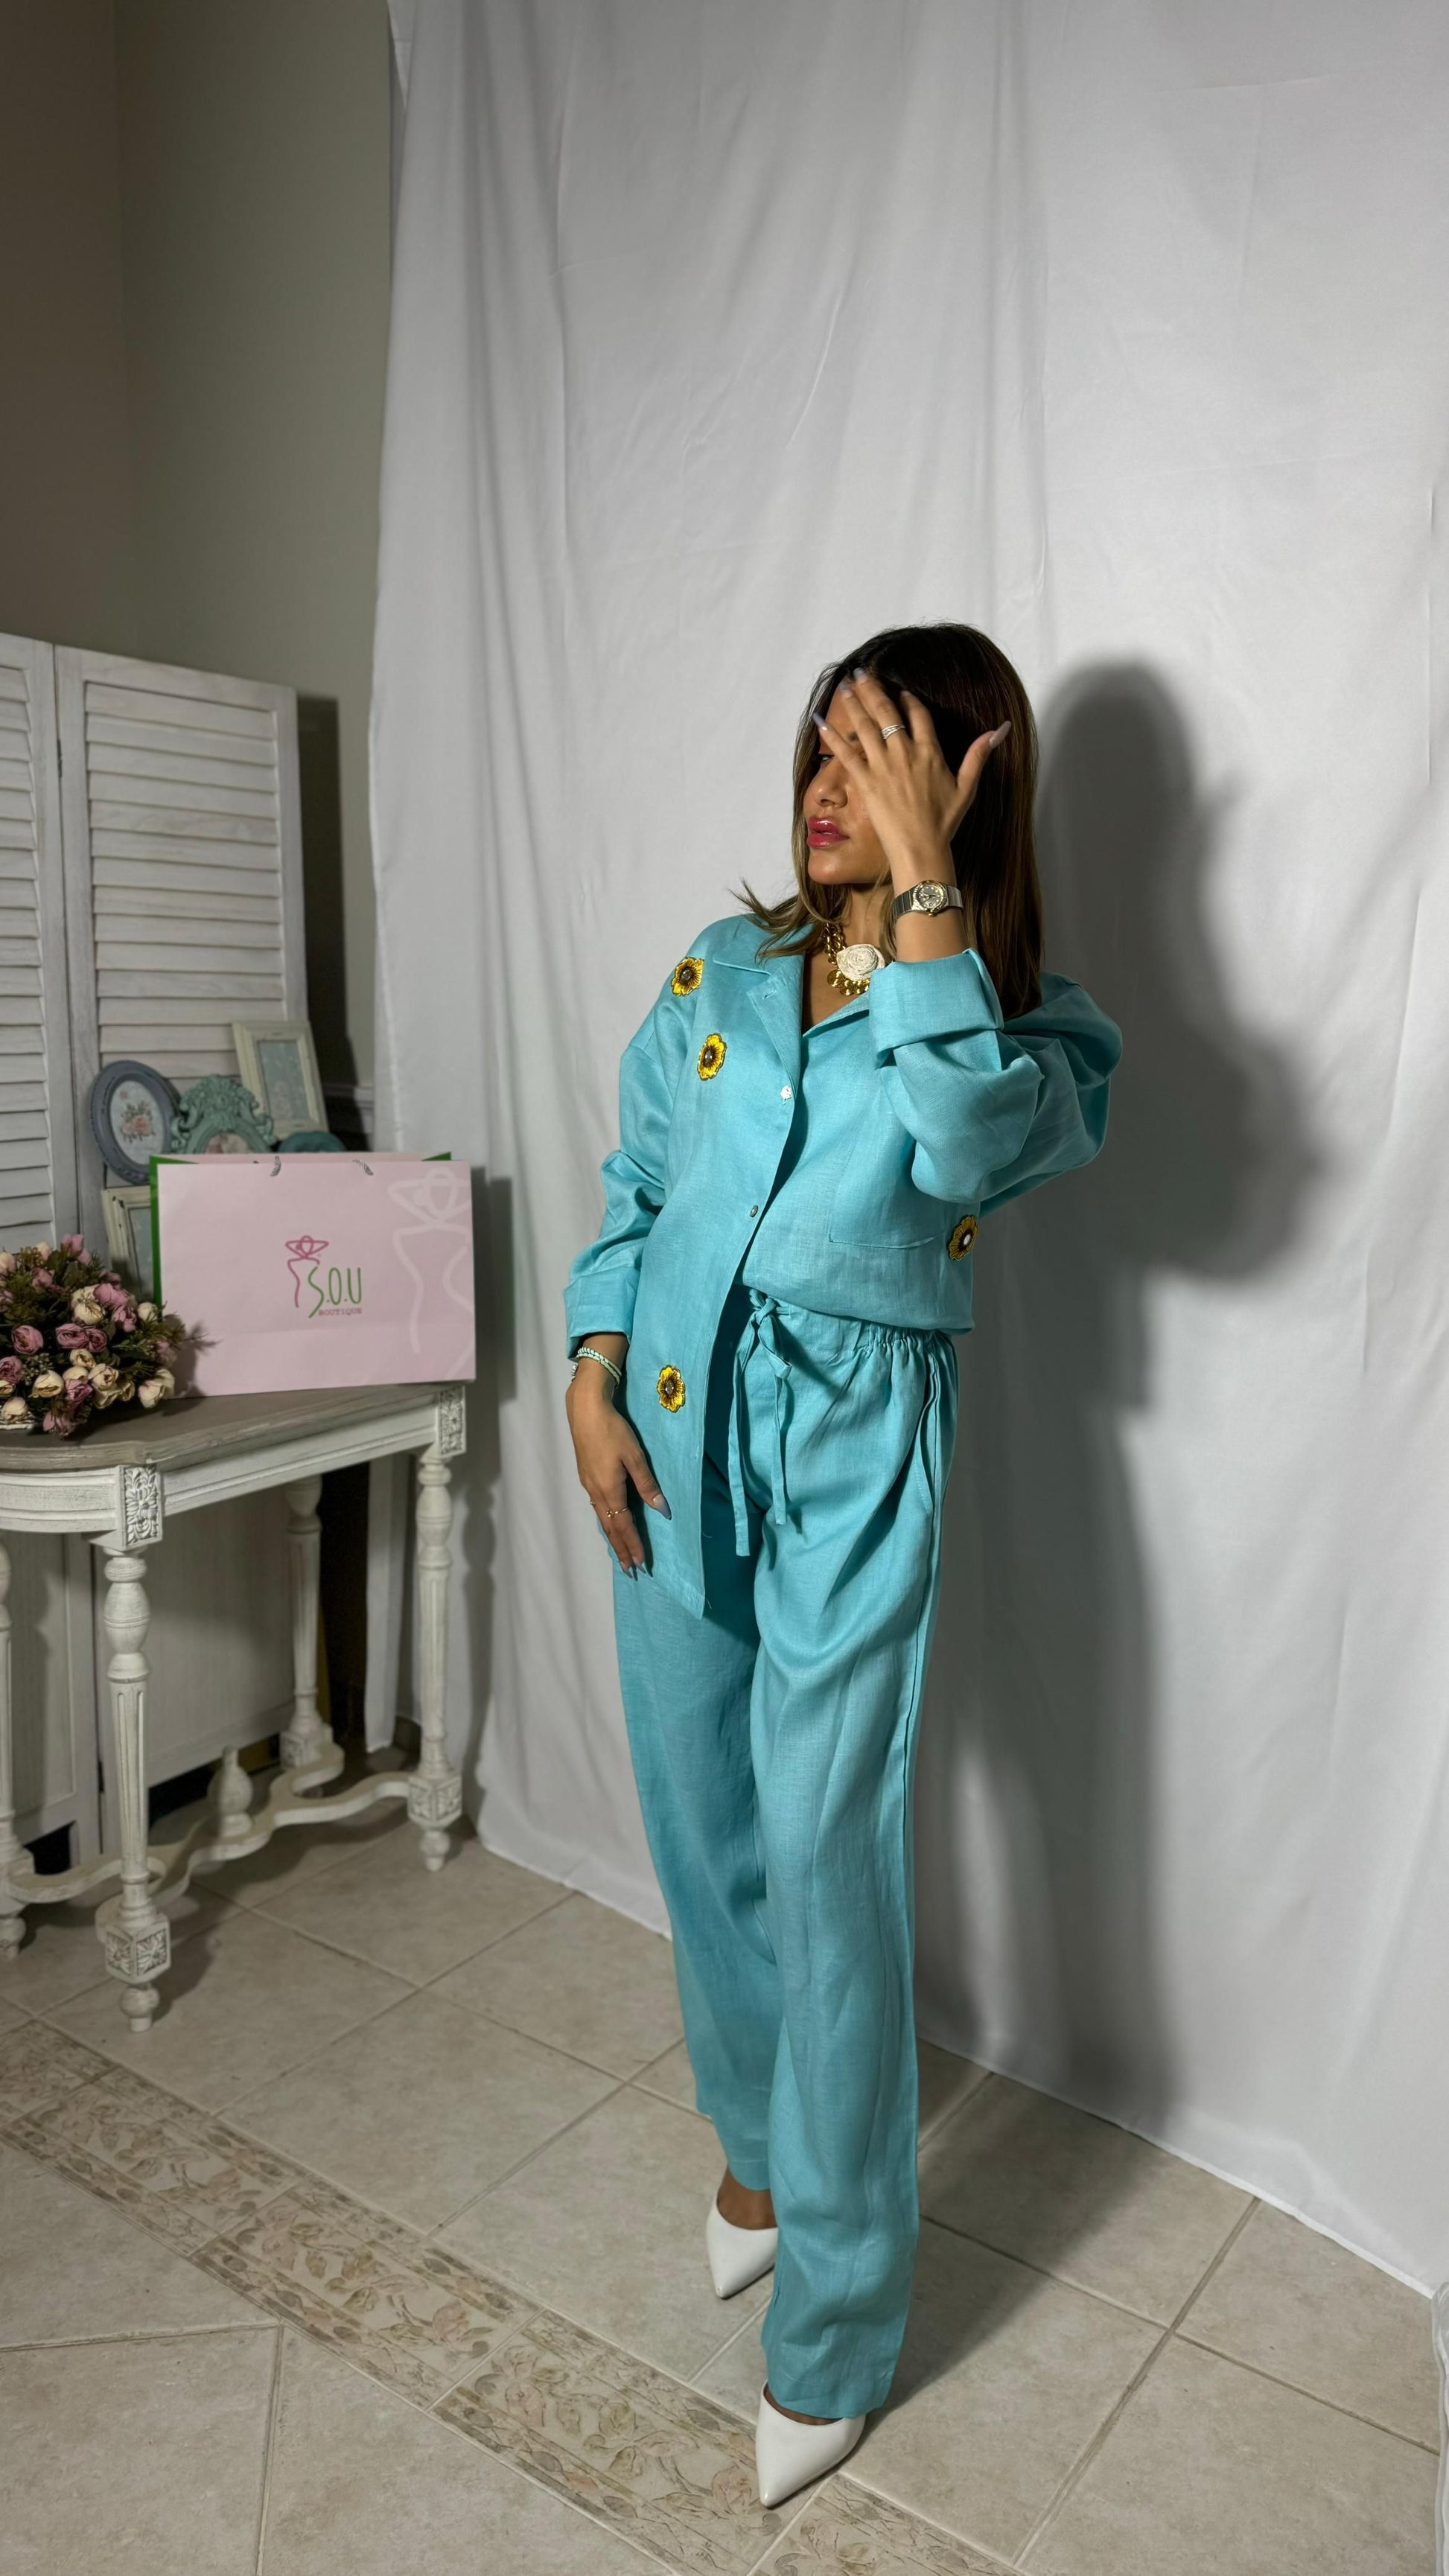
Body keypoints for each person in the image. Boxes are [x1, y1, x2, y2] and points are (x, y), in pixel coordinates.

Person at [563, 622, 1122, 2508]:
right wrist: (587, 1370)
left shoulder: (1029, 1031)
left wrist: (927, 904)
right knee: (698, 1811)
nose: (828, 785)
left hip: (854, 1442)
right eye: (820, 746)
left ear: (963, 785)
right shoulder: (720, 969)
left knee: (824, 1846)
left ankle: (840, 2317)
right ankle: (755, 2147)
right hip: (666, 1407)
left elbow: (961, 1148)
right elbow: (639, 1182)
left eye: (877, 754)